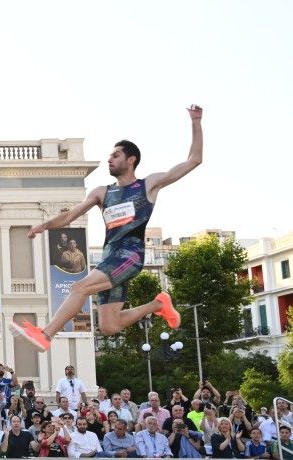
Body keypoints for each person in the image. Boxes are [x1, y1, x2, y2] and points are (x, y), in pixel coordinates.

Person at [10, 105, 203, 352]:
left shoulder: (148, 185)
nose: (109, 159)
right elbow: (69, 216)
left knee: (79, 287)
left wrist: (195, 122)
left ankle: (46, 334)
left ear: (130, 159)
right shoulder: (103, 192)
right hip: (109, 259)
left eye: (115, 155)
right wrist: (44, 225)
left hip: (130, 256)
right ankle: (157, 305)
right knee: (109, 326)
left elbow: (194, 160)